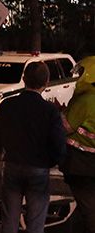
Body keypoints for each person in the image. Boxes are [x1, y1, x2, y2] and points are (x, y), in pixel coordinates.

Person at [0, 61, 67, 233]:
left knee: (10, 218)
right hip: (38, 169)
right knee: (36, 221)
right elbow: (58, 143)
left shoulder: (7, 105)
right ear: (46, 82)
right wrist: (53, 161)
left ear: (24, 79)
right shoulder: (49, 110)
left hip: (12, 166)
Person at [60, 56, 95, 233]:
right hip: (89, 164)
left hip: (81, 164)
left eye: (80, 72)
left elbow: (65, 127)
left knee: (87, 207)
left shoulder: (86, 99)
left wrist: (58, 112)